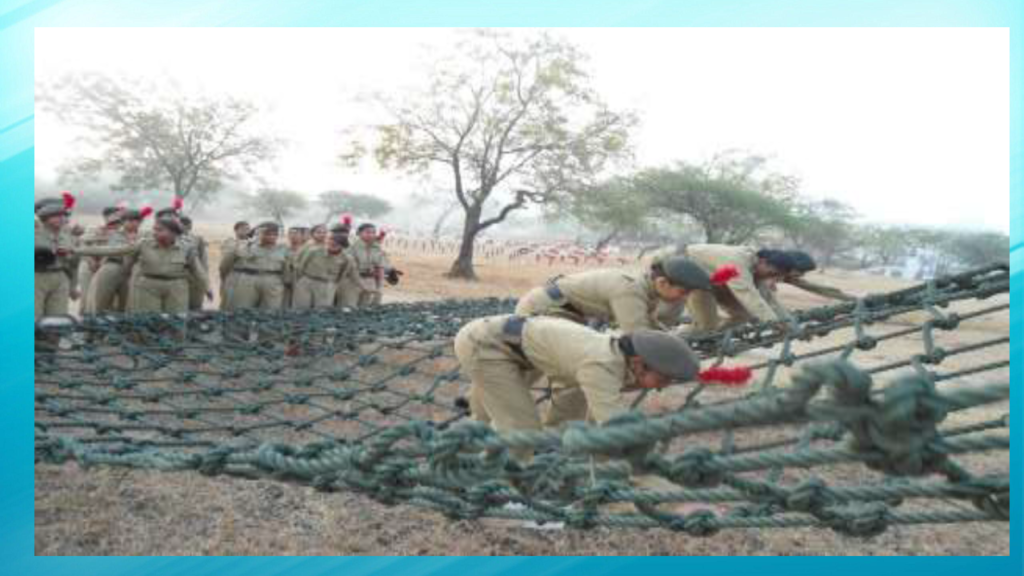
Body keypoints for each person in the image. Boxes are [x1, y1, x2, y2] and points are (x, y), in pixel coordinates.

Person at [454, 314, 701, 462]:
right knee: (522, 428)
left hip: (516, 345)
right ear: (638, 363)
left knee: (509, 421)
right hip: (486, 344)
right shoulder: (601, 367)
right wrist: (651, 466)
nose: (663, 387)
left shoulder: (617, 360)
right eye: (664, 378)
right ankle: (492, 484)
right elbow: (615, 427)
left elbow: (587, 417)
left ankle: (465, 456)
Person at [515, 256, 713, 331]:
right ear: (662, 282)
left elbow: (650, 323)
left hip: (564, 312)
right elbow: (638, 335)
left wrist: (671, 337)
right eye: (683, 292)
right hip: (544, 309)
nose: (684, 298)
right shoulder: (631, 290)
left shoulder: (648, 290)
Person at [74, 215, 206, 313]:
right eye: (154, 229)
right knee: (148, 320)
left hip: (176, 287)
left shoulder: (186, 248)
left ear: (173, 233)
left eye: (160, 230)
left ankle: (174, 343)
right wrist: (76, 250)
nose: (154, 233)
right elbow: (112, 250)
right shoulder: (144, 244)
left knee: (176, 321)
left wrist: (206, 288)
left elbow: (198, 270)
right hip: (148, 286)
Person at [681, 245, 812, 332]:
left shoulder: (757, 269)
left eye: (776, 276)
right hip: (691, 277)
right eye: (772, 273)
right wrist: (776, 324)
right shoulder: (737, 262)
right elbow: (749, 296)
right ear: (763, 262)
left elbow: (770, 301)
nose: (771, 278)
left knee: (743, 315)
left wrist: (791, 326)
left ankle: (715, 339)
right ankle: (674, 344)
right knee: (706, 326)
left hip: (715, 282)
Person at [222, 221, 290, 311]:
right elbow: (242, 255)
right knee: (243, 309)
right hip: (248, 279)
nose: (271, 237)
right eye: (267, 234)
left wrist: (285, 282)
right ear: (259, 234)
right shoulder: (247, 246)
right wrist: (254, 241)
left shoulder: (283, 249)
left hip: (273, 280)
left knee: (271, 310)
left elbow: (286, 268)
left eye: (274, 234)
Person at [34, 194, 80, 320]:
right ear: (44, 217)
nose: (62, 218)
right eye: (56, 215)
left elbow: (74, 264)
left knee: (57, 320)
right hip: (37, 277)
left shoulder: (67, 237)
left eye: (63, 215)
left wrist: (73, 286)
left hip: (61, 278)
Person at [291, 232, 360, 309]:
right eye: (331, 243)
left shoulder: (346, 258)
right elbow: (300, 266)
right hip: (307, 281)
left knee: (322, 311)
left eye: (336, 245)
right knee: (300, 309)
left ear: (342, 246)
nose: (332, 246)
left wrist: (333, 284)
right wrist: (301, 281)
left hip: (326, 285)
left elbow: (344, 273)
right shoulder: (313, 251)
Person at [76, 206, 124, 314]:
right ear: (106, 216)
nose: (118, 217)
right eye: (115, 214)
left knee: (107, 300)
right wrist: (91, 261)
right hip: (90, 266)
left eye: (119, 215)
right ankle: (85, 320)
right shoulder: (95, 229)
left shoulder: (122, 231)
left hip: (107, 265)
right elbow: (82, 244)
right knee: (87, 299)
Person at [348, 223, 401, 307]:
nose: (371, 235)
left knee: (369, 309)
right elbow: (349, 269)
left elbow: (380, 268)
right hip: (354, 283)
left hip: (371, 282)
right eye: (368, 232)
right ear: (359, 233)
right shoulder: (352, 249)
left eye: (373, 232)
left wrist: (379, 287)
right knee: (351, 308)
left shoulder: (376, 249)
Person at [178, 216, 212, 311]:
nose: (186, 227)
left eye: (188, 225)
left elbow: (203, 260)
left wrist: (205, 282)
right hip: (178, 276)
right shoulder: (171, 237)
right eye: (183, 224)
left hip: (194, 277)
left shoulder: (197, 239)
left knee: (195, 306)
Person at [218, 221, 251, 310]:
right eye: (243, 229)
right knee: (229, 303)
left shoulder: (253, 243)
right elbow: (225, 263)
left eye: (248, 229)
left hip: (249, 277)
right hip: (234, 275)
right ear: (236, 230)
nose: (246, 231)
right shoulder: (230, 242)